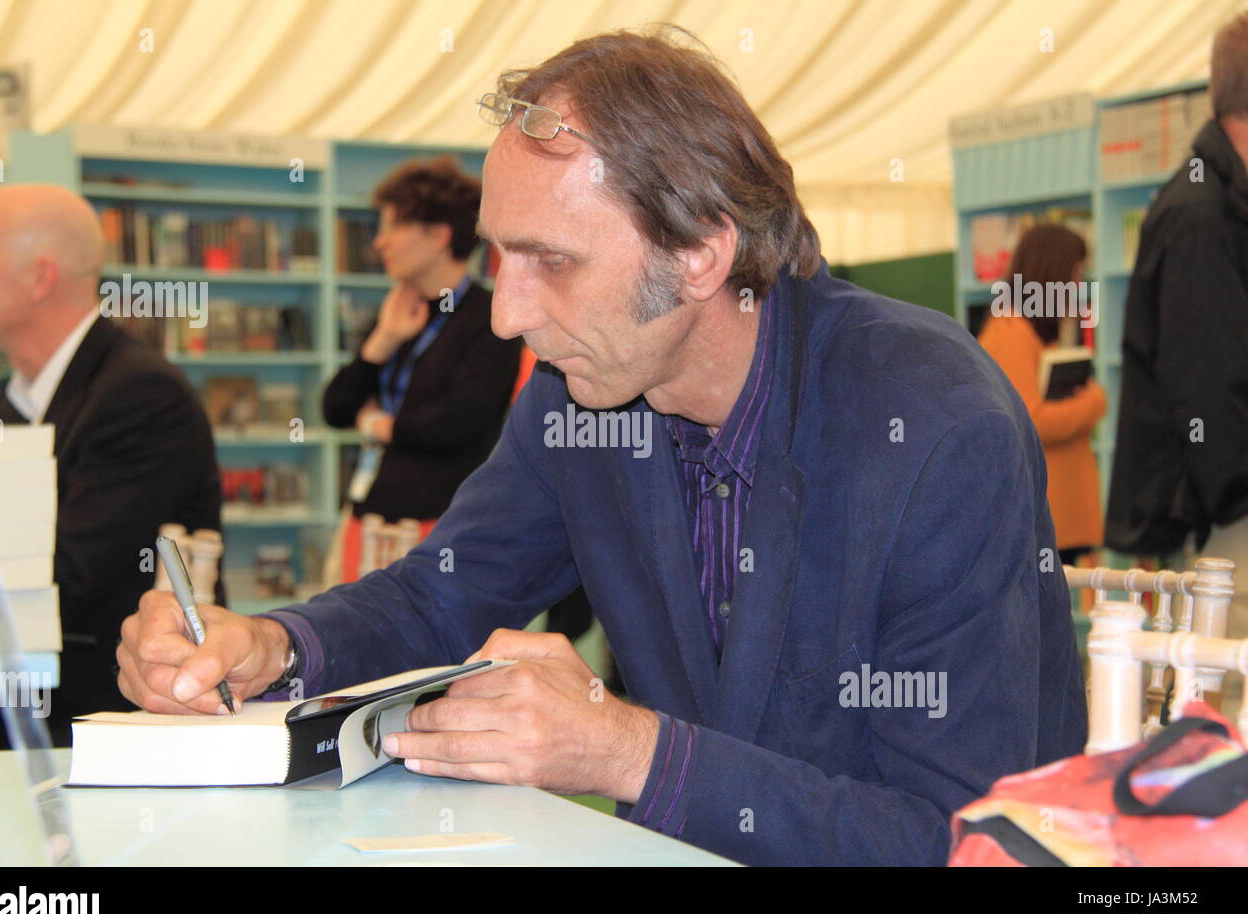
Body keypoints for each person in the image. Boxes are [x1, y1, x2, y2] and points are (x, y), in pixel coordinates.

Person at [119, 26, 1085, 866]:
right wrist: (271, 646)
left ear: (701, 252)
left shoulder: (930, 423)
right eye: (501, 253)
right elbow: (441, 592)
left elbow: (961, 840)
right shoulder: (578, 397)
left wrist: (623, 752)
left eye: (554, 261)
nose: (505, 313)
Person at [0, 183, 223, 748]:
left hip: (95, 739)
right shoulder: (15, 402)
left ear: (39, 278)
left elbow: (61, 581)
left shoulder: (140, 396)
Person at [1107, 11, 1248, 637]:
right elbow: (1209, 395)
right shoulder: (1201, 216)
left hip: (1223, 513)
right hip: (1228, 522)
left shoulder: (1218, 204)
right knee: (1233, 713)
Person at [322, 157, 521, 578]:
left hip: (441, 526)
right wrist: (383, 341)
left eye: (392, 226)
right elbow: (335, 408)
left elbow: (458, 424)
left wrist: (378, 424)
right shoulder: (399, 309)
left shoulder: (491, 317)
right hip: (368, 517)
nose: (379, 242)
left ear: (437, 236)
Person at [978, 223, 1107, 568]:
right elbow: (1030, 421)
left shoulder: (1036, 331)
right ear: (1053, 272)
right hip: (1045, 512)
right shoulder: (1011, 331)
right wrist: (1093, 402)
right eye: (1075, 272)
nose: (1078, 284)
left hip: (1060, 512)